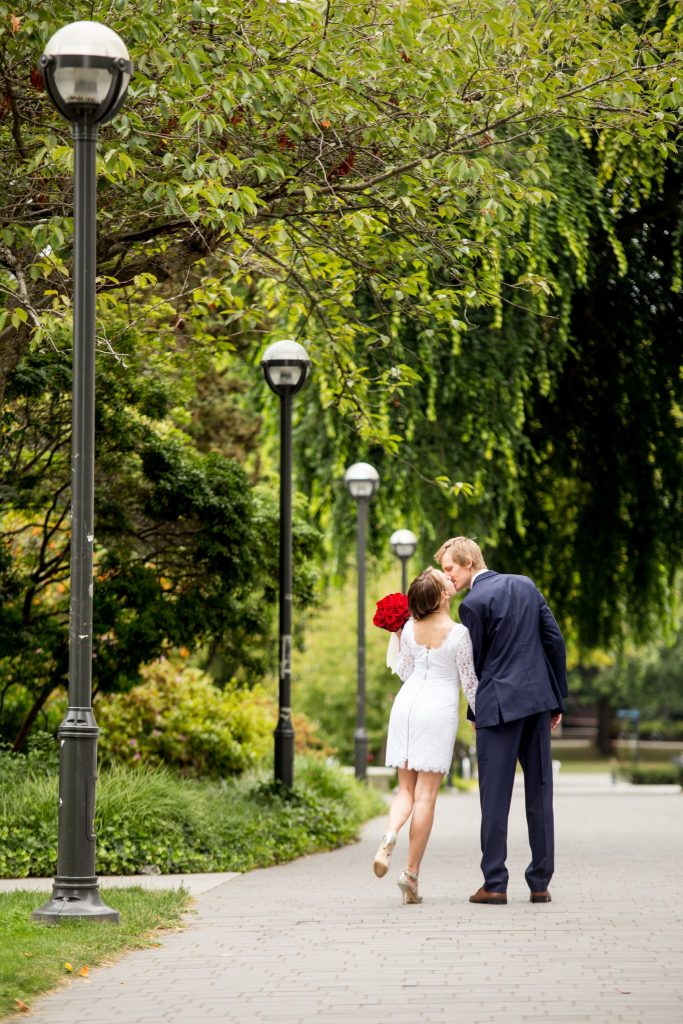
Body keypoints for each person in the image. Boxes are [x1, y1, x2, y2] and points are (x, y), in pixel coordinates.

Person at [437, 536, 567, 905]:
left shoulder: (472, 604)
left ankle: (495, 883)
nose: (448, 578)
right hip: (539, 702)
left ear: (467, 563)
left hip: (498, 708)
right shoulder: (526, 584)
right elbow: (554, 641)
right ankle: (540, 882)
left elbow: (476, 665)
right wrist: (556, 699)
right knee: (540, 792)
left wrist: (476, 712)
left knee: (495, 798)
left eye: (450, 569)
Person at [373, 568, 478, 904]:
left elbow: (405, 671)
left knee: (405, 788)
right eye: (445, 580)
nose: (450, 580)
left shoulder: (408, 627)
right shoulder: (460, 634)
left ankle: (389, 836)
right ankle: (411, 874)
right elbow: (470, 683)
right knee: (426, 797)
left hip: (405, 708)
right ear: (443, 596)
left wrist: (404, 640)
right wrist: (479, 718)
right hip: (437, 710)